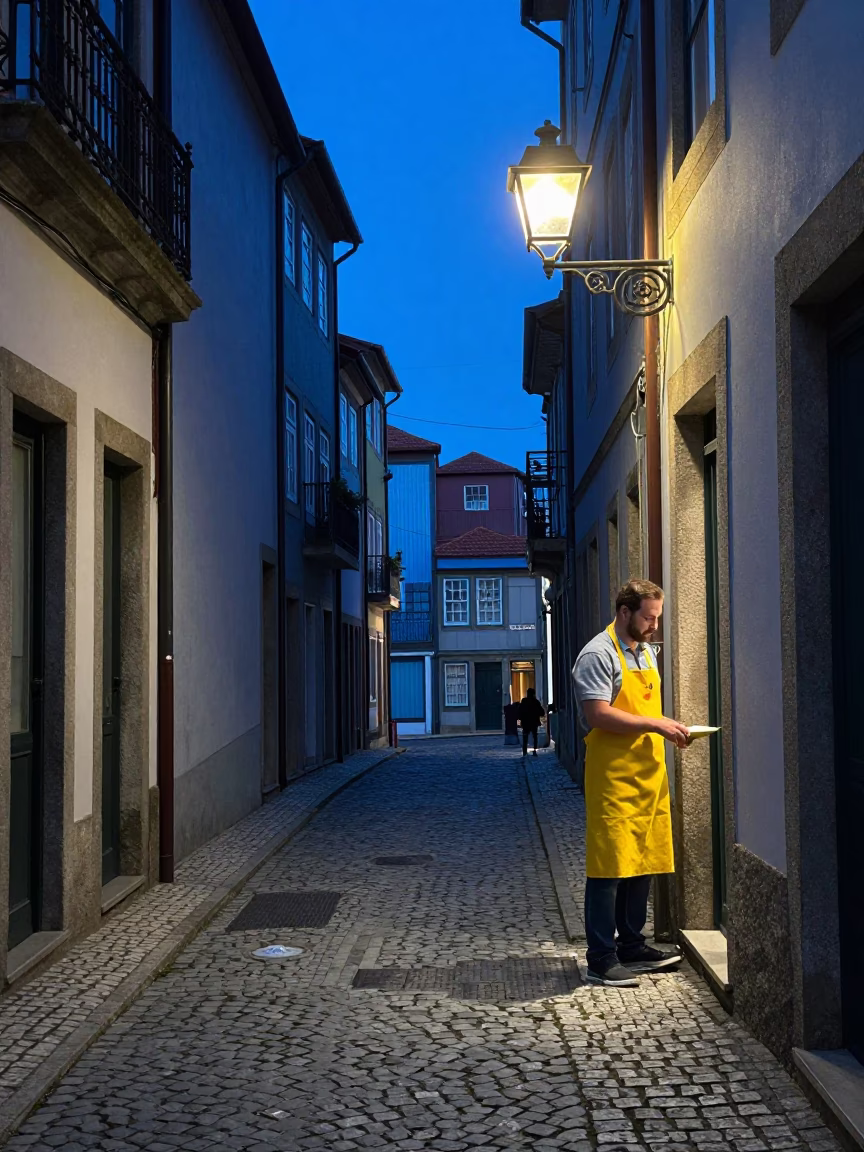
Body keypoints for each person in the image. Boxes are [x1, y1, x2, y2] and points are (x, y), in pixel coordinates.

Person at [572, 578, 689, 987]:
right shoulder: (597, 654)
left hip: (647, 773)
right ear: (625, 613)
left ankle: (632, 944)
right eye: (649, 617)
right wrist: (655, 723)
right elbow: (597, 715)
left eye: (657, 616)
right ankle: (601, 957)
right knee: (608, 869)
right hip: (613, 777)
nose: (655, 624)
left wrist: (668, 727)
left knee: (642, 860)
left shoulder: (645, 653)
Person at [518, 688, 545, 757]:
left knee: (525, 737)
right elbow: (542, 712)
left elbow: (520, 711)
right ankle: (534, 751)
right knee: (534, 736)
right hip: (534, 722)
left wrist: (520, 718)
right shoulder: (536, 702)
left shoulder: (524, 701)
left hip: (526, 722)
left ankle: (524, 752)